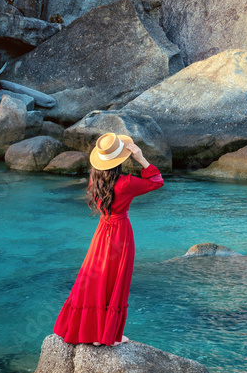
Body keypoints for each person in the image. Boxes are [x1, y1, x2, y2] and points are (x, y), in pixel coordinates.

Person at [53, 132, 164, 346]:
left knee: (94, 279)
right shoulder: (126, 183)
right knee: (115, 281)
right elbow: (157, 181)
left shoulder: (96, 180)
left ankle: (91, 332)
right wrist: (140, 158)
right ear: (119, 161)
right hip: (120, 235)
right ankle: (107, 334)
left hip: (101, 234)